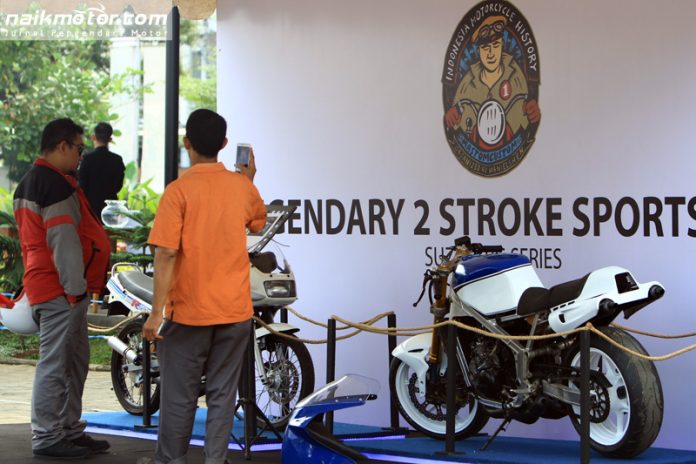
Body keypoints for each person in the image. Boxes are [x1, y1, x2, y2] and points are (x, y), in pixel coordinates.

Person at [143, 109, 267, 464]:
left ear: (187, 143)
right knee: (222, 395)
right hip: (234, 310)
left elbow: (166, 253)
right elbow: (257, 223)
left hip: (189, 312)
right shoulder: (241, 187)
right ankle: (215, 460)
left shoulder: (178, 191)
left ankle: (171, 460)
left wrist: (155, 313)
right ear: (225, 144)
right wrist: (248, 179)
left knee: (179, 396)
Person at [13, 118, 112, 458]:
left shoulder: (35, 181)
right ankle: (47, 436)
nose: (81, 156)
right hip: (60, 289)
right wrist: (74, 290)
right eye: (79, 149)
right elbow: (64, 242)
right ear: (61, 146)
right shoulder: (52, 185)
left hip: (57, 286)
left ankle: (68, 429)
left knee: (73, 362)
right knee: (55, 364)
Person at [444, 15, 540, 148]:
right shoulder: (467, 82)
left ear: (501, 45)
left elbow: (527, 111)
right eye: (485, 48)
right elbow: (455, 121)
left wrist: (533, 112)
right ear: (479, 51)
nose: (491, 54)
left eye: (495, 45)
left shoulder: (516, 75)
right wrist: (450, 116)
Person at [78, 122, 126, 220]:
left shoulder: (87, 159)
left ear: (93, 137)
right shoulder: (117, 160)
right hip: (110, 208)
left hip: (90, 209)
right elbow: (118, 186)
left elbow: (81, 185)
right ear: (110, 139)